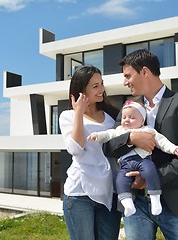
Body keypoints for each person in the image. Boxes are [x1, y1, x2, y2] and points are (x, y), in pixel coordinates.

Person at [103, 49, 178, 240]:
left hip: (176, 200)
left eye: (127, 76)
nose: (124, 82)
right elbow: (108, 147)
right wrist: (131, 138)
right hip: (136, 203)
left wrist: (153, 178)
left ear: (144, 71)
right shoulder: (128, 109)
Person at [87, 99, 178, 217]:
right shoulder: (119, 130)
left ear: (142, 120)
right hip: (126, 164)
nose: (126, 120)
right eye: (124, 117)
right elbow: (107, 135)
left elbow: (161, 141)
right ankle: (127, 204)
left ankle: (155, 198)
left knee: (150, 171)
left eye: (131, 117)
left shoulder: (147, 130)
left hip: (143, 160)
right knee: (120, 180)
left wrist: (173, 148)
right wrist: (97, 135)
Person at [59, 65, 121, 240]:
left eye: (101, 84)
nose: (101, 89)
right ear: (81, 90)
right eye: (95, 86)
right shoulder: (67, 116)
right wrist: (79, 112)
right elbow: (75, 149)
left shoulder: (113, 116)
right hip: (79, 194)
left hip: (109, 192)